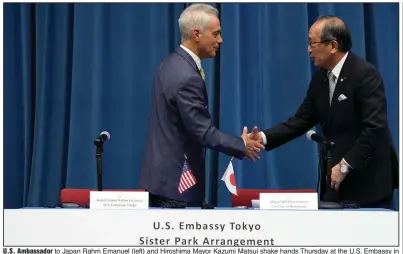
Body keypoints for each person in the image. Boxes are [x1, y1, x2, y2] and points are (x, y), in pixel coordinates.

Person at [250, 16, 398, 209]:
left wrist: (345, 165)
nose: (308, 49)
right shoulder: (321, 77)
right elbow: (301, 120)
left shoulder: (364, 74)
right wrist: (261, 138)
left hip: (368, 180)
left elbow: (375, 128)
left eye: (312, 43)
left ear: (333, 46)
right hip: (336, 181)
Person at [140, 4, 264, 208]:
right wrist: (242, 145)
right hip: (176, 186)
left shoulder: (170, 63)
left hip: (163, 181)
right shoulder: (187, 75)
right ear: (197, 34)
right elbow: (202, 132)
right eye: (216, 34)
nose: (220, 40)